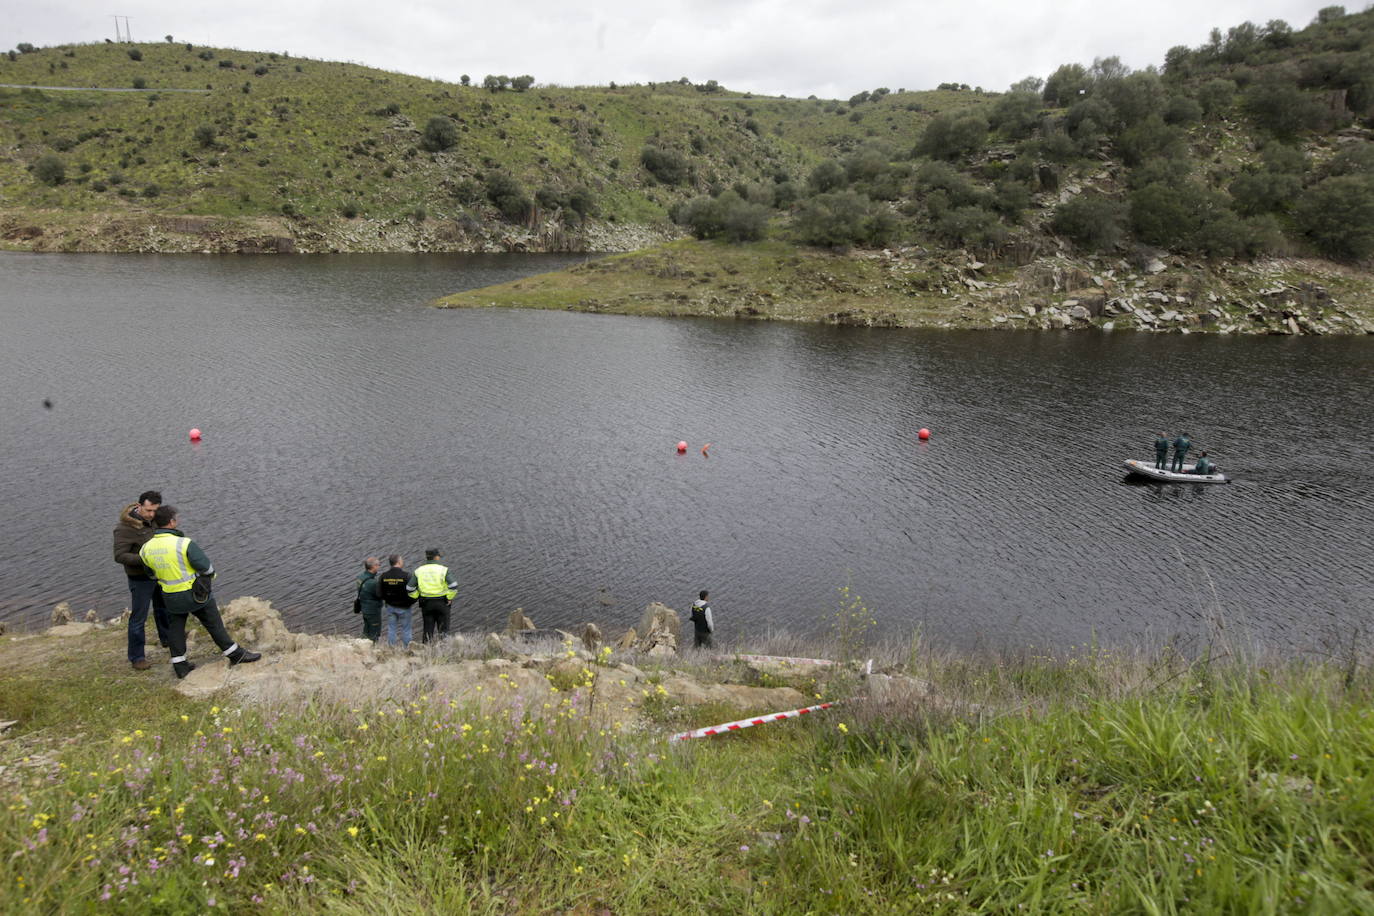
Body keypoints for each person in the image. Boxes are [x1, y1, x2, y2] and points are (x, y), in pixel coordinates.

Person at [139, 505, 261, 679]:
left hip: (170, 596)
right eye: (176, 518)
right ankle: (236, 654)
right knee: (214, 623)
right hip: (195, 594)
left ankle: (180, 667)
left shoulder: (146, 548)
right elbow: (207, 568)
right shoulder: (183, 543)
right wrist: (207, 578)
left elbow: (150, 573)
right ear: (172, 522)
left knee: (175, 630)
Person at [113, 489, 172, 671]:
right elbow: (120, 556)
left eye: (155, 510)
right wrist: (146, 558)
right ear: (139, 506)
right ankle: (137, 657)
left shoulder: (155, 521)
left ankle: (167, 639)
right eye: (148, 511)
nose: (152, 515)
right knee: (139, 617)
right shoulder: (124, 528)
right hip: (140, 578)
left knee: (163, 608)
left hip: (158, 574)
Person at [407, 548, 457, 644]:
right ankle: (444, 651)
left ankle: (426, 651)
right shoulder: (444, 570)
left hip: (426, 603)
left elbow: (409, 588)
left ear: (427, 557)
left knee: (428, 629)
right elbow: (453, 586)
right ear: (437, 557)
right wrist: (449, 597)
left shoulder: (419, 570)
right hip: (442, 603)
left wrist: (418, 596)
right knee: (444, 630)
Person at [376, 554, 415, 648]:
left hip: (390, 607)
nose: (403, 562)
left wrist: (388, 599)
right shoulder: (407, 576)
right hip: (405, 607)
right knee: (406, 629)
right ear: (399, 562)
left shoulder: (383, 576)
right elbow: (414, 592)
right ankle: (406, 650)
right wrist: (410, 602)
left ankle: (391, 649)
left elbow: (379, 594)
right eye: (402, 560)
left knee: (391, 629)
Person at [355, 557, 383, 641]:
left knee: (366, 630)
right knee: (374, 633)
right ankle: (372, 650)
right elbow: (381, 595)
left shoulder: (360, 577)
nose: (379, 566)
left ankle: (363, 647)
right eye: (378, 565)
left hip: (364, 609)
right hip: (373, 611)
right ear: (373, 566)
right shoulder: (373, 583)